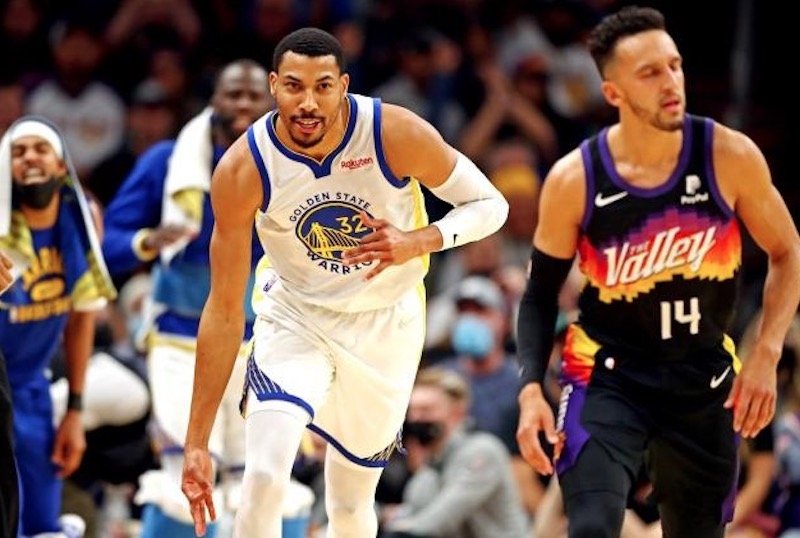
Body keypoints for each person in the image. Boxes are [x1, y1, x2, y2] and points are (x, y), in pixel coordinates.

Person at [181, 27, 509, 538]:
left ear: (344, 85)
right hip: (296, 315)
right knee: (264, 475)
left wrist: (417, 241)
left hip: (385, 322)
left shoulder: (393, 132)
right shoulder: (244, 167)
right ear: (273, 85)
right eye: (294, 86)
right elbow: (223, 309)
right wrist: (197, 440)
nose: (308, 103)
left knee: (351, 506)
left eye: (323, 87)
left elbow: (490, 205)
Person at [514, 6, 800, 538]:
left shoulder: (728, 155)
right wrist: (531, 389)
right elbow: (538, 295)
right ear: (613, 93)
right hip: (606, 374)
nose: (670, 83)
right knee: (592, 526)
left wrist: (766, 352)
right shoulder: (575, 179)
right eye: (649, 73)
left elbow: (787, 250)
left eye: (675, 65)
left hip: (702, 375)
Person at [101, 59, 272, 538]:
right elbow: (107, 242)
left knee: (259, 483)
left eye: (253, 96)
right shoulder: (166, 161)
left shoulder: (292, 167)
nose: (243, 104)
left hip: (265, 338)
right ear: (213, 101)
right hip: (181, 337)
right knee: (185, 479)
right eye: (233, 94)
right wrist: (147, 241)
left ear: (272, 103)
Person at [0, 117, 117, 537]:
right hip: (0, 387)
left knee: (41, 523)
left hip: (33, 389)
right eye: (18, 151)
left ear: (61, 165)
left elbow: (83, 314)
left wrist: (75, 411)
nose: (29, 157)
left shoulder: (82, 220)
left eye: (40, 149)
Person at [382, 367, 528, 538]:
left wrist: (396, 528)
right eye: (413, 411)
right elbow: (411, 514)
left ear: (457, 413)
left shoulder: (482, 451)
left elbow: (439, 520)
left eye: (426, 410)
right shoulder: (428, 470)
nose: (416, 419)